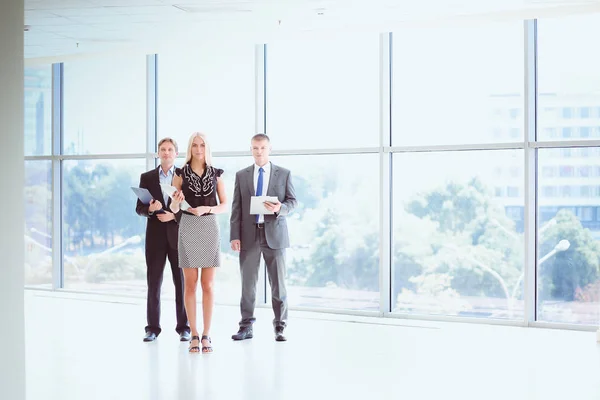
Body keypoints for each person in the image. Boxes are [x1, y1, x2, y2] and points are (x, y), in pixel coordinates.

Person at [230, 133, 297, 342]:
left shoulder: (283, 174)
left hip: (274, 235)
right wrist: (234, 236)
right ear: (251, 150)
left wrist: (280, 208)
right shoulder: (242, 175)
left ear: (269, 149)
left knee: (278, 284)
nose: (259, 152)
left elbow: (293, 202)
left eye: (262, 148)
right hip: (249, 235)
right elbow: (236, 208)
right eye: (255, 148)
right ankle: (246, 325)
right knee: (248, 284)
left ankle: (280, 326)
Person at [170, 132, 227, 353]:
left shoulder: (216, 173)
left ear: (207, 147)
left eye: (202, 145)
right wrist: (176, 202)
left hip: (210, 226)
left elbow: (224, 205)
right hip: (188, 227)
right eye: (195, 145)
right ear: (189, 148)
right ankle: (194, 333)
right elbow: (174, 209)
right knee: (191, 284)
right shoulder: (180, 173)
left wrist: (207, 208)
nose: (199, 149)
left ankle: (206, 334)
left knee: (208, 285)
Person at [135, 137, 190, 342]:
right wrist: (150, 209)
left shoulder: (184, 176)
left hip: (178, 236)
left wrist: (173, 215)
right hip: (155, 238)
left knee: (181, 284)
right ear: (158, 153)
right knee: (154, 283)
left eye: (170, 149)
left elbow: (190, 208)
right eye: (162, 149)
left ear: (176, 153)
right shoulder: (147, 177)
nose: (166, 153)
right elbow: (139, 208)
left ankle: (184, 327)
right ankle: (152, 328)